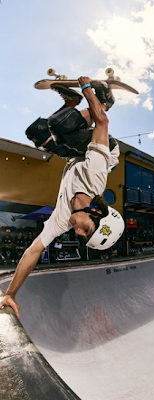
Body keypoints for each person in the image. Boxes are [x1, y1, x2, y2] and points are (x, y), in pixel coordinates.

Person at [0, 77, 124, 318]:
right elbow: (102, 122)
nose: (77, 233)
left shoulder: (62, 220)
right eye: (87, 231)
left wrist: (11, 294)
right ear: (96, 213)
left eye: (83, 237)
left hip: (76, 156)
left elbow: (33, 251)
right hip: (104, 149)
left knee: (38, 134)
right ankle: (105, 101)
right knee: (60, 127)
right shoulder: (96, 176)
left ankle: (70, 101)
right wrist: (89, 90)